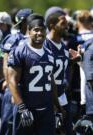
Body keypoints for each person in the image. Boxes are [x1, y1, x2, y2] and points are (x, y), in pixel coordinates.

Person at [7, 13, 57, 135]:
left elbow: (51, 81)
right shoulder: (19, 51)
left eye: (42, 30)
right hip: (26, 108)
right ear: (29, 32)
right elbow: (12, 81)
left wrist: (57, 107)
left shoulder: (49, 54)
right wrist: (21, 107)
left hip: (46, 109)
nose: (39, 33)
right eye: (36, 30)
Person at [0, 8, 33, 135]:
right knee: (8, 123)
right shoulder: (14, 39)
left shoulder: (36, 37)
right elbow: (6, 63)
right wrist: (9, 84)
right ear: (24, 22)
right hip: (15, 88)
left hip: (30, 88)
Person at [44, 6, 73, 135]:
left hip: (62, 97)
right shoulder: (44, 45)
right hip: (48, 100)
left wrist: (74, 60)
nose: (67, 26)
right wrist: (55, 104)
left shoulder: (64, 47)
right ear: (52, 25)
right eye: (63, 23)